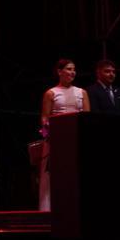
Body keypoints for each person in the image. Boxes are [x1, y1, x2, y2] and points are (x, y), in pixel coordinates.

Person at [37, 58, 90, 210]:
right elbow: (45, 118)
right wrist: (48, 132)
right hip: (57, 139)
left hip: (77, 138)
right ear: (59, 72)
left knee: (76, 174)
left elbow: (87, 118)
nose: (72, 72)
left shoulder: (82, 92)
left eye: (74, 69)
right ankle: (53, 208)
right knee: (56, 174)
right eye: (68, 69)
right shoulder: (51, 93)